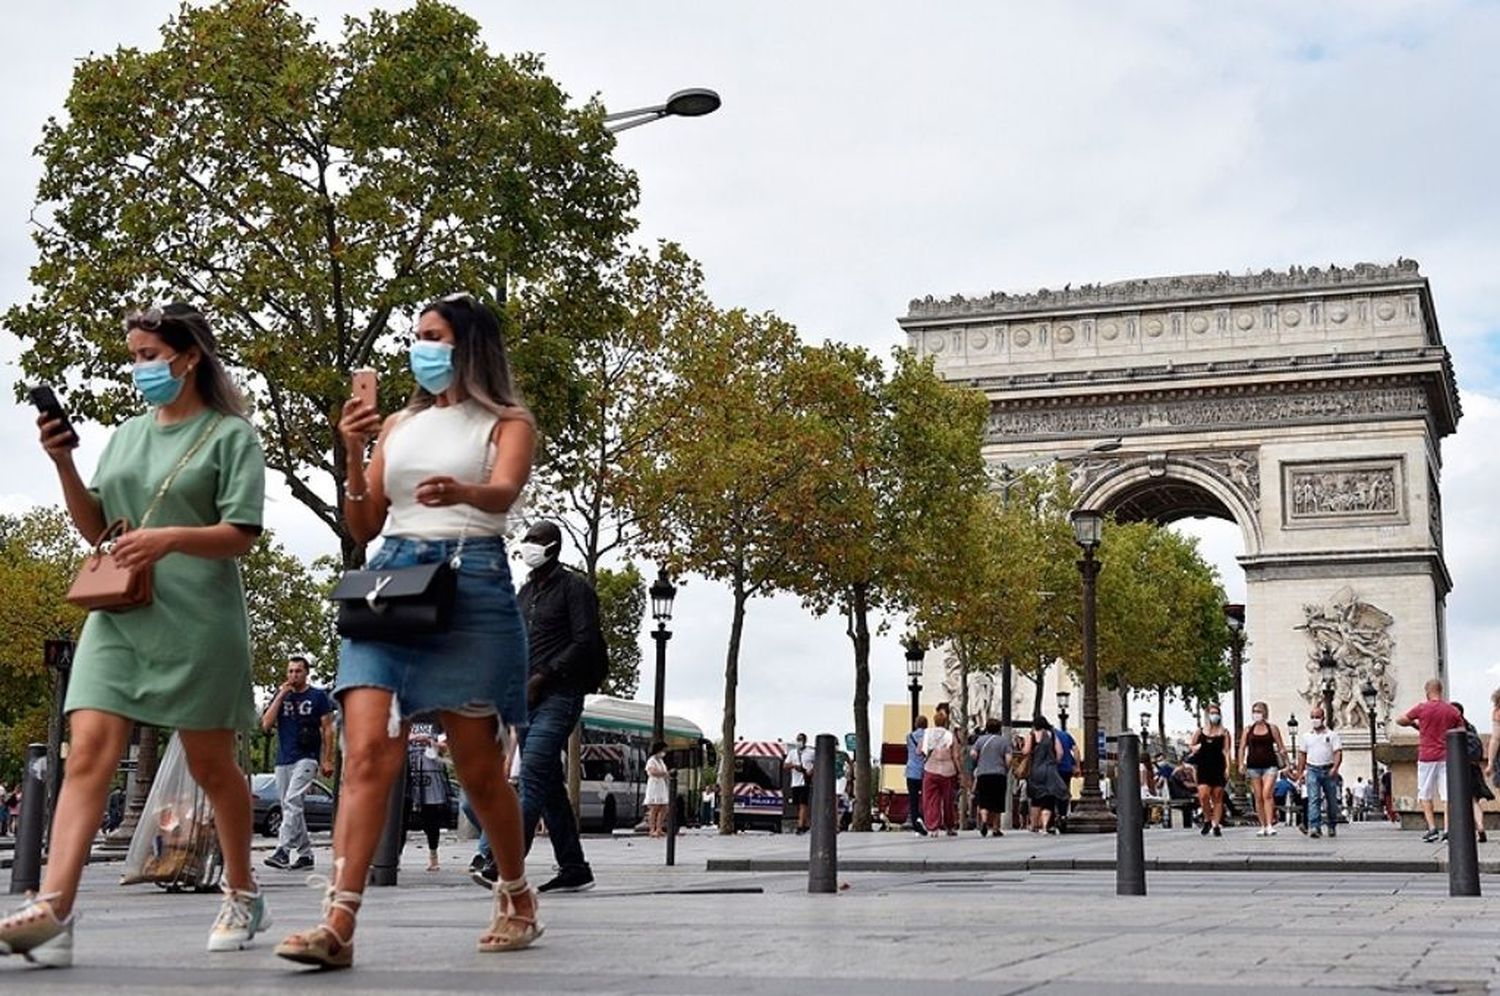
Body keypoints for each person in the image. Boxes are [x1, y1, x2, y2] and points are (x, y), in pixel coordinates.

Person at [276, 292, 539, 968]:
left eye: (432, 335)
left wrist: (464, 493)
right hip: (390, 582)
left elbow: (505, 493)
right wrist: (355, 446)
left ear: (467, 345)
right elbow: (362, 526)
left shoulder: (507, 421)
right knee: (368, 754)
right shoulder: (395, 423)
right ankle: (338, 921)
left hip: (469, 579)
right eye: (416, 335)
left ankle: (516, 893)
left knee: (479, 771)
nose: (419, 346)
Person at [1, 303, 268, 967]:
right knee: (87, 748)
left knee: (212, 765)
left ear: (189, 357)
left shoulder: (232, 437)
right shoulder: (124, 434)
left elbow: (243, 533)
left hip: (200, 618)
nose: (139, 367)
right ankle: (55, 908)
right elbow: (99, 530)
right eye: (134, 356)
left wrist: (171, 537)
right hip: (120, 612)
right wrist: (63, 464)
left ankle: (242, 889)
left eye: (149, 354)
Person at [474, 520, 606, 893]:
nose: (528, 545)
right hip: (526, 698)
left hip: (560, 695)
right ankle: (575, 867)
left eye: (536, 539)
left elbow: (585, 642)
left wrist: (543, 675)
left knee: (531, 774)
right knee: (548, 788)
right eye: (527, 539)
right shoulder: (526, 592)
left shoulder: (575, 589)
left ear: (553, 546)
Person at [260, 655, 335, 871]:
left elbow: (328, 728)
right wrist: (281, 694)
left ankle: (282, 850)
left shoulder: (318, 696)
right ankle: (305, 854)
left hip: (307, 756)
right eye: (291, 671)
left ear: (306, 673)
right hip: (284, 758)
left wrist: (327, 759)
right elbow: (266, 724)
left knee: (292, 801)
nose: (294, 675)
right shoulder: (282, 695)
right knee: (290, 807)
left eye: (298, 671)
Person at [1395, 677, 1465, 843]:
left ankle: (1432, 828)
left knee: (1425, 794)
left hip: (1426, 756)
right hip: (1446, 756)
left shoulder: (1422, 708)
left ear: (1427, 691)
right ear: (1441, 690)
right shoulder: (1452, 710)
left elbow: (1400, 719)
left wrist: (1414, 725)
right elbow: (1461, 731)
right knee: (1448, 795)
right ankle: (1448, 830)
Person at [1238, 700, 1289, 836]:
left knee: (1267, 793)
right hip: (1253, 765)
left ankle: (1269, 823)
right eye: (1254, 711)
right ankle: (1262, 825)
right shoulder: (1248, 730)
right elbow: (1242, 747)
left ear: (1265, 713)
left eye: (1259, 711)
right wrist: (1240, 763)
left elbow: (1280, 746)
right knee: (1258, 796)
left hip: (1270, 765)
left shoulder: (1272, 728)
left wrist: (1287, 763)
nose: (1256, 714)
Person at [407, 726, 452, 871]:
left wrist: (429, 741)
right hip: (408, 772)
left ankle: (433, 855)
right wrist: (410, 738)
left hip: (431, 774)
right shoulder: (405, 715)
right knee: (402, 816)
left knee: (431, 817)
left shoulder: (437, 721)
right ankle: (395, 857)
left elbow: (445, 746)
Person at [1295, 705, 1342, 838]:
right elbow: (1302, 755)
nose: (1315, 720)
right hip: (1312, 769)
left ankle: (1332, 825)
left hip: (1328, 769)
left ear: (1323, 718)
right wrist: (1300, 773)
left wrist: (1335, 768)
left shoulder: (1332, 735)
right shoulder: (1306, 736)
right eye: (1312, 717)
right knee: (1314, 799)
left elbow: (1338, 752)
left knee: (1331, 800)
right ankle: (1315, 826)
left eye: (1317, 717)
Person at [1187, 703, 1232, 836]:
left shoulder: (1224, 732)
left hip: (1218, 765)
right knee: (1204, 794)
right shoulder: (1200, 731)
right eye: (1212, 713)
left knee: (1218, 796)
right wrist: (1194, 747)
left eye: (1216, 713)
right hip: (1203, 766)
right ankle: (1207, 818)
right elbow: (1191, 745)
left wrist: (1228, 767)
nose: (1214, 716)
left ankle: (1216, 824)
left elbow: (1226, 751)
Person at [920, 705, 962, 836]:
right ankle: (949, 826)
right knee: (948, 801)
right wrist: (960, 771)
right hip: (948, 771)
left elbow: (919, 751)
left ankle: (933, 828)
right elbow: (956, 756)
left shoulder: (927, 734)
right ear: (945, 722)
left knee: (931, 800)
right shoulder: (950, 736)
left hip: (930, 770)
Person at [1452, 702, 1491, 844]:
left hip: (1458, 768)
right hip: (1474, 768)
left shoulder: (1452, 729)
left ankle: (1460, 831)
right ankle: (1480, 826)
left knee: (1457, 801)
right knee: (1474, 800)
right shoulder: (1470, 727)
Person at [1024, 716, 1068, 834]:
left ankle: (1033, 825)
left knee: (1036, 797)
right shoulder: (1052, 735)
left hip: (1035, 770)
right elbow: (1060, 752)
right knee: (1048, 798)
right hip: (1050, 770)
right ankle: (1045, 826)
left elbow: (1026, 751)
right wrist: (1054, 762)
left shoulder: (1032, 735)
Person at [970, 718, 1009, 837]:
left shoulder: (980, 740)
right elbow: (1009, 759)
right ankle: (996, 828)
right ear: (999, 729)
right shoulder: (1004, 741)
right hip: (999, 774)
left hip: (983, 774)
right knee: (998, 802)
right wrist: (1005, 768)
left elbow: (973, 754)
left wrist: (979, 761)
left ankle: (984, 821)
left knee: (984, 800)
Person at [785, 733, 816, 835]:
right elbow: (785, 765)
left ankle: (800, 826)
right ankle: (806, 823)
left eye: (801, 740)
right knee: (798, 805)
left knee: (803, 804)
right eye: (798, 739)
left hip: (805, 781)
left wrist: (811, 771)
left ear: (805, 741)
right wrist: (793, 765)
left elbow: (818, 763)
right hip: (795, 782)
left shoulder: (811, 752)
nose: (799, 742)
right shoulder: (792, 752)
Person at [905, 715, 928, 835]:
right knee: (926, 798)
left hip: (911, 771)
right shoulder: (928, 737)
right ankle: (925, 820)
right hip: (925, 771)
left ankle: (915, 822)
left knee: (913, 799)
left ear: (915, 724)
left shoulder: (909, 737)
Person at [1054, 722, 1078, 828]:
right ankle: (1063, 814)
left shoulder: (1048, 736)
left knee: (1052, 792)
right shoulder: (1065, 735)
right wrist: (1077, 766)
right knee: (1064, 791)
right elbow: (1076, 750)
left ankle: (1054, 816)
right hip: (1066, 768)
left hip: (1054, 768)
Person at [644, 741, 671, 838]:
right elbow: (652, 772)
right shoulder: (651, 760)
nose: (664, 752)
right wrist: (664, 774)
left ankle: (659, 828)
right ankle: (652, 829)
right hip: (654, 785)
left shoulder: (661, 761)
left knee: (664, 807)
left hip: (661, 785)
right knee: (654, 808)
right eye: (664, 750)